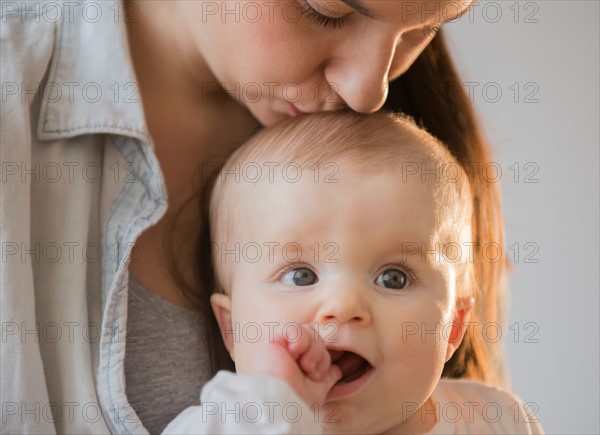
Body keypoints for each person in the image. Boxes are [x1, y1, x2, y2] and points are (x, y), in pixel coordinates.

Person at [1, 0, 506, 433]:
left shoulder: (415, 153)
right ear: (227, 319)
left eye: (423, 29)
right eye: (325, 10)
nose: (367, 92)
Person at [164, 111, 541, 434]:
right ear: (232, 328)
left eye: (394, 278)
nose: (343, 306)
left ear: (453, 328)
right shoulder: (221, 425)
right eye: (301, 276)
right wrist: (268, 408)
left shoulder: (494, 419)